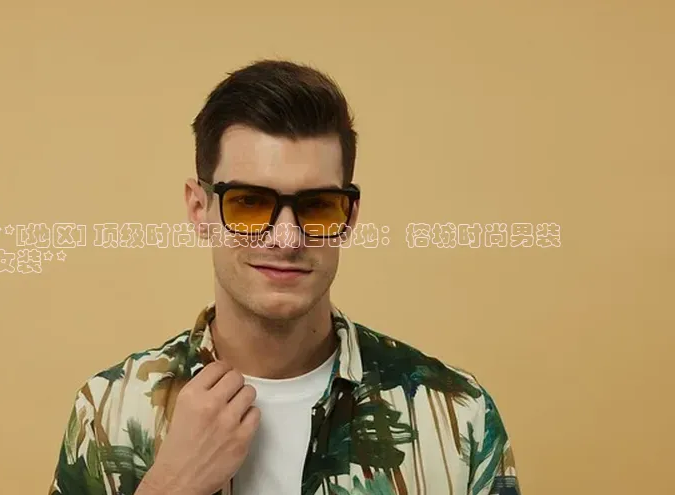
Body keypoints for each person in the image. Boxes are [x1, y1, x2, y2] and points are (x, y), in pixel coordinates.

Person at [48, 59, 521, 495]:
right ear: (199, 208)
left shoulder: (458, 415)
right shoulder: (108, 412)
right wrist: (169, 487)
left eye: (318, 205)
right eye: (250, 202)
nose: (287, 237)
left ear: (349, 216)